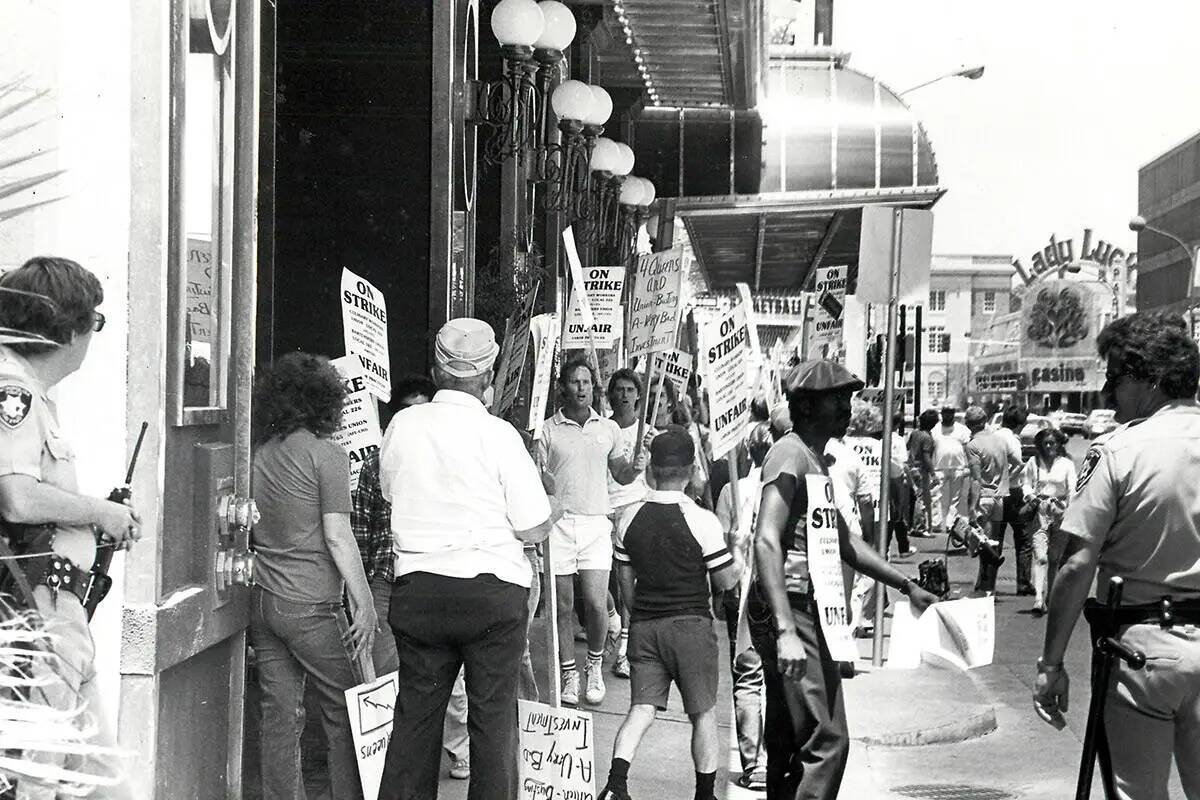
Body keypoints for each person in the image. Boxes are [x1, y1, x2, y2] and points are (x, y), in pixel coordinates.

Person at [378, 318, 557, 800]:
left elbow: (390, 491)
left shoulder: (402, 424)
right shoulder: (499, 435)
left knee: (415, 721)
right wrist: (552, 505)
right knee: (493, 724)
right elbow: (531, 524)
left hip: (420, 592)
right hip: (491, 596)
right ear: (488, 378)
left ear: (437, 372)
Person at [749, 360, 938, 798]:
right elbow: (765, 541)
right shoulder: (790, 453)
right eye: (838, 399)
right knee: (827, 739)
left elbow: (846, 543)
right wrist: (786, 631)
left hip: (806, 609)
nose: (848, 407)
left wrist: (904, 584)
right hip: (793, 607)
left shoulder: (815, 460)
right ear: (809, 407)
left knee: (787, 743)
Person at [1034, 312, 1200, 799]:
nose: (1109, 393)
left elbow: (1077, 564)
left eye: (1114, 378)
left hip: (1144, 652)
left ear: (1146, 379)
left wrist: (1050, 663)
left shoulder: (1118, 451)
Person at [0, 257, 140, 800]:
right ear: (70, 329)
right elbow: (15, 496)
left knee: (103, 785)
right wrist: (100, 513)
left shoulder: (27, 390)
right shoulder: (16, 391)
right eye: (96, 323)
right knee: (35, 784)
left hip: (60, 613)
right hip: (38, 615)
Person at [249, 352, 377, 800]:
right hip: (313, 604)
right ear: (326, 402)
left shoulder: (258, 455)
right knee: (346, 711)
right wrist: (364, 602)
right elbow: (338, 536)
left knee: (279, 715)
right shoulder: (329, 456)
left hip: (264, 599)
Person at [599, 428, 741, 800]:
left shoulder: (628, 518)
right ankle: (705, 795)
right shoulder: (703, 520)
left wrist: (641, 614)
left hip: (645, 626)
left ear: (652, 470)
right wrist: (739, 551)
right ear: (693, 470)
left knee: (641, 709)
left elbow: (625, 581)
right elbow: (725, 581)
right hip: (691, 628)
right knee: (703, 713)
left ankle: (616, 785)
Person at [536, 357, 646, 707]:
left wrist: (635, 468)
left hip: (597, 523)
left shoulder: (607, 429)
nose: (581, 388)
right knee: (564, 606)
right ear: (562, 388)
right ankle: (569, 673)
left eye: (586, 382)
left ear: (593, 389)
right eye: (574, 382)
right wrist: (544, 482)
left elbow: (621, 474)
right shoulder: (548, 429)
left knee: (597, 603)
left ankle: (594, 666)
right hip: (560, 526)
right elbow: (538, 479)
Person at [714, 421, 774, 791]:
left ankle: (756, 762)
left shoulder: (734, 491)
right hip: (767, 590)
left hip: (745, 592)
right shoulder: (783, 487)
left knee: (748, 675)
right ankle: (768, 758)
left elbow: (720, 549)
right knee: (766, 675)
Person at [606, 368, 652, 679]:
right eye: (619, 389)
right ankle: (612, 623)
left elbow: (656, 477)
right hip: (602, 511)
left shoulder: (647, 432)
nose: (624, 395)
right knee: (596, 586)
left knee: (626, 583)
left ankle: (625, 648)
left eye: (630, 390)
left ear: (638, 395)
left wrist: (648, 452)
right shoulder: (602, 427)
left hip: (635, 510)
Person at [964, 405, 1023, 594]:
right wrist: (1005, 480)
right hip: (999, 497)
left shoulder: (973, 445)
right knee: (993, 542)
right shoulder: (999, 440)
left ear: (971, 425)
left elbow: (975, 480)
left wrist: (972, 508)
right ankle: (989, 586)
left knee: (984, 545)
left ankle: (987, 588)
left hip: (983, 499)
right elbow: (1019, 464)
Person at [1021, 427, 1075, 615]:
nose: (1049, 446)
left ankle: (1051, 597)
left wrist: (1069, 508)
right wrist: (1029, 496)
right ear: (1039, 445)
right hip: (1040, 511)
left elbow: (1072, 489)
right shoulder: (1033, 462)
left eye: (1052, 443)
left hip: (1060, 510)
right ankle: (1038, 598)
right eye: (1045, 443)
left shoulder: (1067, 464)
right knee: (1041, 556)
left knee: (1054, 558)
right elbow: (1025, 483)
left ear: (1059, 444)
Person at [995, 405, 1034, 595]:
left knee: (994, 540)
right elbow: (1018, 465)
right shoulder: (1012, 440)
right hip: (1012, 492)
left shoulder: (992, 437)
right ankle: (1023, 583)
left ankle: (986, 583)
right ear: (1020, 424)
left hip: (993, 493)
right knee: (1024, 539)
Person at [933, 405, 971, 533]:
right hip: (938, 467)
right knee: (938, 497)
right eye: (946, 412)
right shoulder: (935, 429)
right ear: (942, 413)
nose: (948, 415)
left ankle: (950, 523)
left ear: (954, 413)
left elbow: (967, 448)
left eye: (951, 412)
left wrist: (967, 465)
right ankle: (937, 523)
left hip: (958, 467)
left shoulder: (962, 429)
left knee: (955, 498)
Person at [906, 409, 939, 535]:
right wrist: (933, 474)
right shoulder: (927, 437)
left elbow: (908, 447)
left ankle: (911, 525)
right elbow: (926, 457)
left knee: (913, 498)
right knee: (921, 499)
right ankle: (919, 527)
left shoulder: (915, 433)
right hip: (920, 469)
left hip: (911, 467)